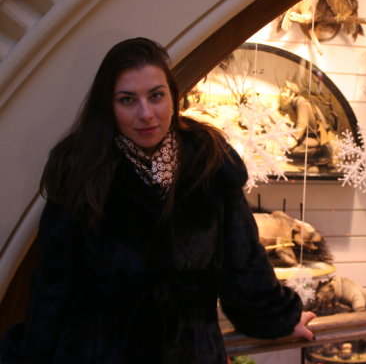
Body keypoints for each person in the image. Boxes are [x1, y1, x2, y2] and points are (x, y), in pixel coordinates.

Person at [0, 38, 316, 364]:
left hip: (191, 353)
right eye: (127, 100)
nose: (146, 114)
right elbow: (54, 284)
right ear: (108, 106)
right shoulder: (82, 168)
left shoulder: (208, 161)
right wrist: (30, 353)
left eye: (156, 96)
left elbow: (243, 264)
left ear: (172, 96)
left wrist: (278, 317)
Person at [278, 81, 333, 169]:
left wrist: (294, 140)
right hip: (308, 136)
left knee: (287, 149)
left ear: (292, 94)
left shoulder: (301, 103)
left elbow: (302, 123)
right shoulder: (296, 104)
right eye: (282, 92)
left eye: (285, 92)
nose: (282, 95)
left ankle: (315, 157)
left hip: (316, 139)